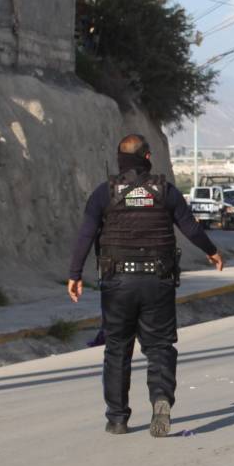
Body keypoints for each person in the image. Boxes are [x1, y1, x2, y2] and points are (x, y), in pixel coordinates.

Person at [68, 134, 224, 436]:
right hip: (158, 279)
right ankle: (161, 399)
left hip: (117, 281)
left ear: (119, 160)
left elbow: (86, 235)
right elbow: (190, 227)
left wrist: (74, 274)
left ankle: (117, 418)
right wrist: (212, 251)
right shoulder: (165, 192)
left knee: (116, 348)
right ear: (148, 159)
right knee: (160, 346)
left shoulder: (104, 193)